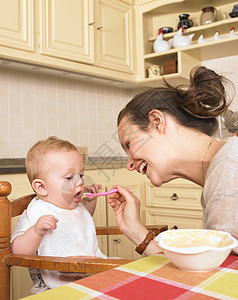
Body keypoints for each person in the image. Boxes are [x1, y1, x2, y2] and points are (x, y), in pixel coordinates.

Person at [108, 66, 238, 256]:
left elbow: (220, 275)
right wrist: (133, 229)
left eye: (129, 144)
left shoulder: (229, 170)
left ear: (157, 122)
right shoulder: (224, 166)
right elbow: (208, 268)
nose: (129, 164)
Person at [11, 136, 106, 293]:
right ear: (41, 187)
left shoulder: (74, 205)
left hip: (87, 277)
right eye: (69, 177)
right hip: (51, 288)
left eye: (81, 175)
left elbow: (80, 222)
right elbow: (17, 251)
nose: (80, 182)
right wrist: (36, 232)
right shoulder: (36, 212)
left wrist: (90, 203)